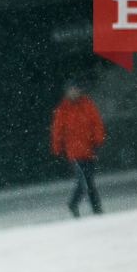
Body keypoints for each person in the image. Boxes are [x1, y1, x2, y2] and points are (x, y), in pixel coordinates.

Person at [50, 79, 105, 218]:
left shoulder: (87, 104)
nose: (73, 92)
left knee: (87, 180)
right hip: (73, 152)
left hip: (89, 149)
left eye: (75, 89)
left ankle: (75, 204)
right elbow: (57, 130)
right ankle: (95, 208)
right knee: (86, 180)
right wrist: (57, 148)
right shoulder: (62, 109)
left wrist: (97, 141)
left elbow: (96, 123)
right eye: (70, 90)